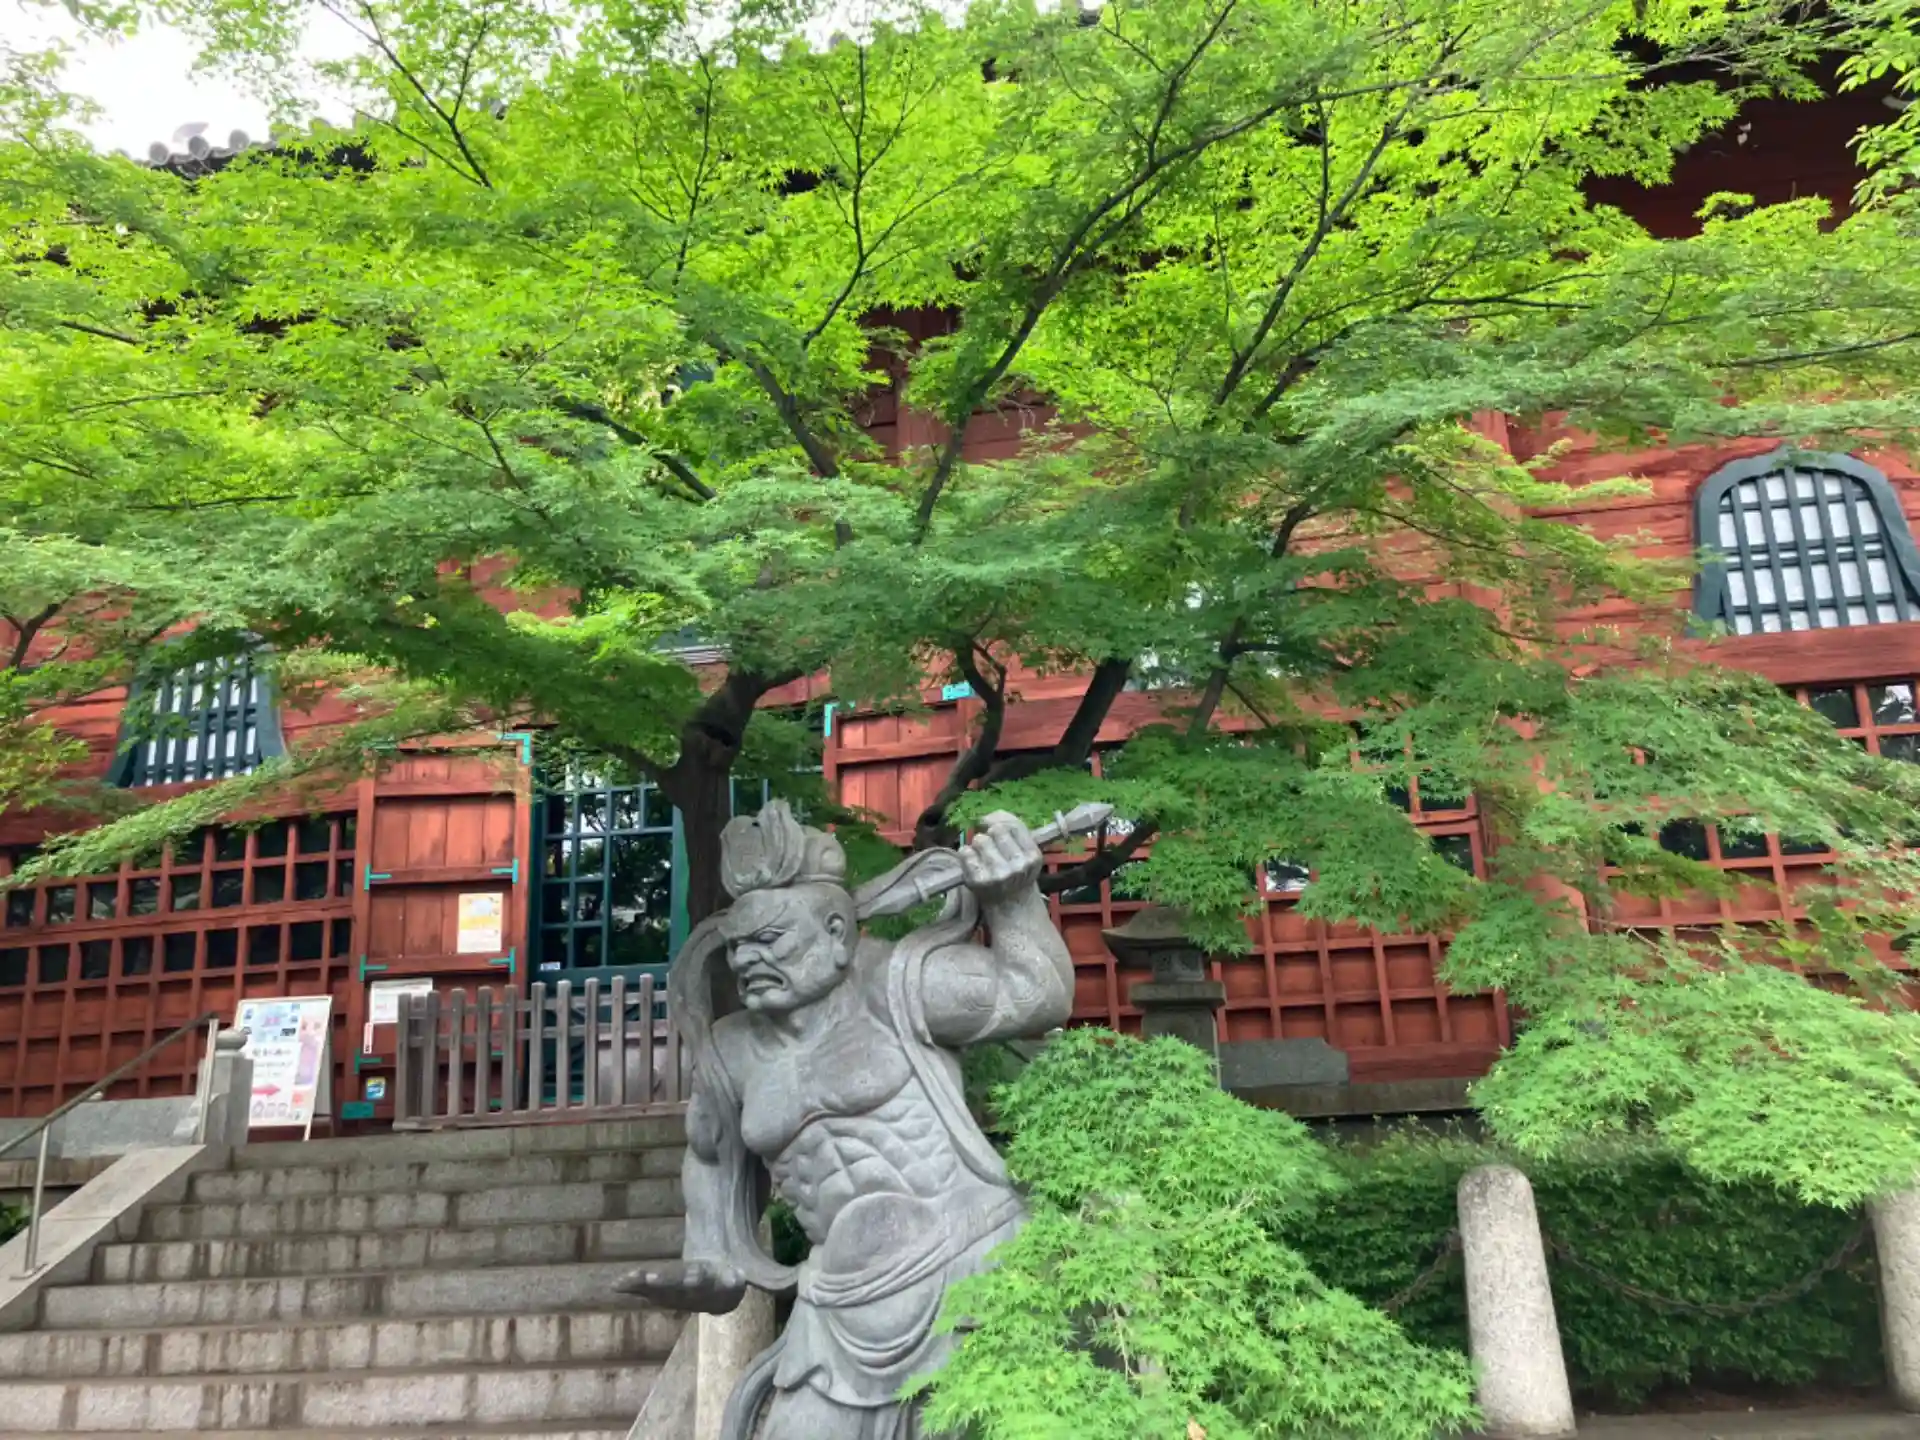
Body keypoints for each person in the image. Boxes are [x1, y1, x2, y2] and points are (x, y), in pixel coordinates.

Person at [619, 801, 1075, 1439]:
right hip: (836, 1306)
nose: (747, 961)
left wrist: (1014, 900)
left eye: (769, 940)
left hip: (971, 1266)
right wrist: (709, 1258)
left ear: (835, 933)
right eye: (738, 946)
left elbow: (1035, 995)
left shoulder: (900, 984)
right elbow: (711, 1159)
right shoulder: (731, 1052)